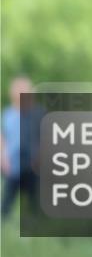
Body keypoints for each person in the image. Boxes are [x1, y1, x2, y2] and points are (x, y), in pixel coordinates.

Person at [1, 76, 41, 221]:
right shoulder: (7, 114)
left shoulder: (37, 113)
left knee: (35, 198)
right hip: (13, 163)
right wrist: (3, 158)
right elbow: (2, 138)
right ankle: (4, 223)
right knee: (8, 198)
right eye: (18, 89)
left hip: (33, 163)